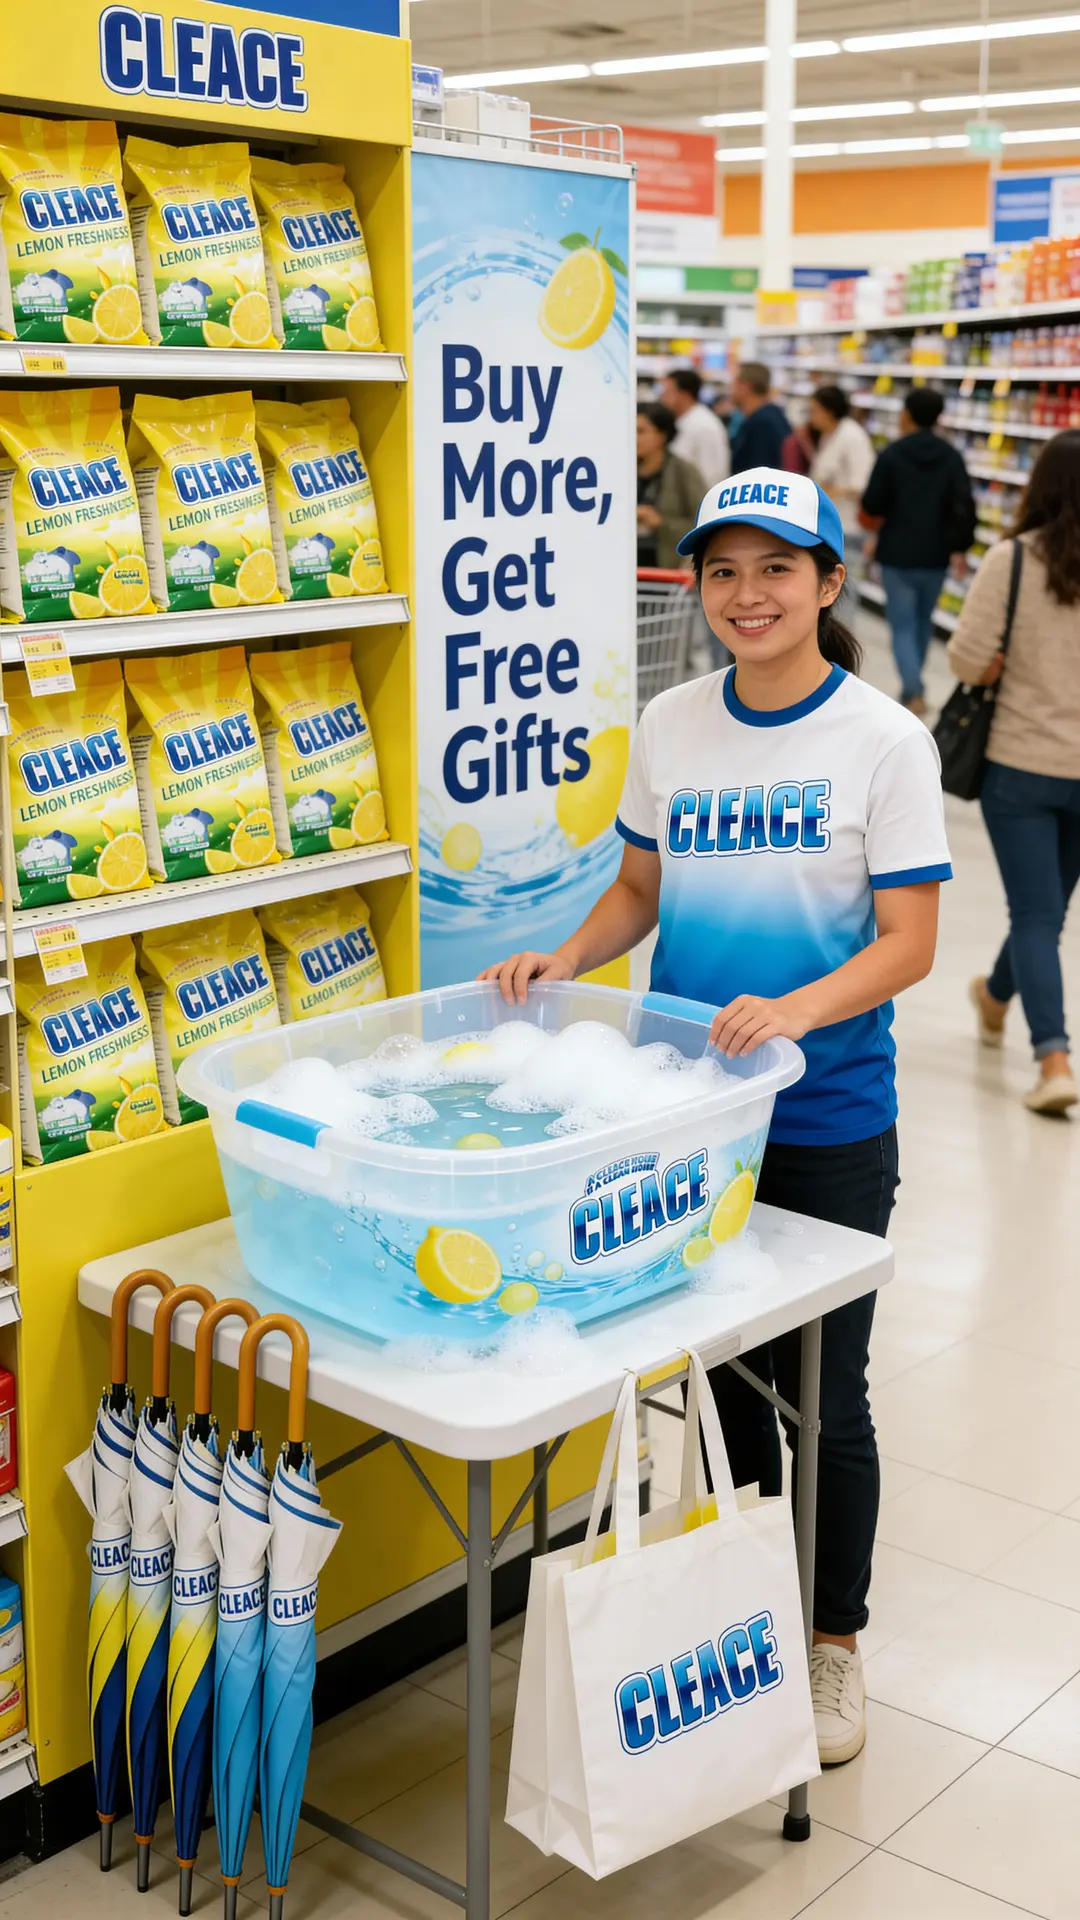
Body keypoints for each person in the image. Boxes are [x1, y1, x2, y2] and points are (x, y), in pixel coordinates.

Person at [480, 468, 950, 1769]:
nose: (748, 595)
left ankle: (834, 1642)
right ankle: (752, 1608)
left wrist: (794, 1010)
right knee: (726, 1382)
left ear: (829, 583)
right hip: (689, 1119)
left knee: (827, 1394)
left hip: (828, 1118)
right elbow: (640, 892)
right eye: (724, 571)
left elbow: (910, 943)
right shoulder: (673, 723)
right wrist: (567, 958)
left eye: (777, 569)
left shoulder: (883, 742)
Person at [947, 431, 1080, 1115]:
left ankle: (1047, 1054)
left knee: (1036, 913)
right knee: (1044, 912)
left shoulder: (1014, 561)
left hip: (1020, 766)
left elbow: (967, 661)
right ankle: (1009, 1011)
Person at [860, 386, 976, 715]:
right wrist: (960, 547)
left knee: (902, 625)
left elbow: (872, 502)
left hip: (897, 552)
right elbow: (964, 506)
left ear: (907, 414)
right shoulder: (951, 457)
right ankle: (912, 686)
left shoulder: (892, 454)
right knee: (923, 621)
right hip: (935, 554)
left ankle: (913, 689)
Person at [636, 402, 703, 571]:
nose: (634, 438)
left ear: (662, 435)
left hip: (668, 572)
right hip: (628, 567)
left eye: (641, 431)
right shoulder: (622, 471)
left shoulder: (683, 472)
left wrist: (661, 524)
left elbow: (704, 525)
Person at [809, 386, 874, 547]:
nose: (811, 416)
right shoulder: (828, 435)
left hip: (849, 527)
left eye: (814, 411)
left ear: (829, 412)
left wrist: (833, 490)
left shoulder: (852, 436)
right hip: (828, 523)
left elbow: (864, 483)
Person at [661, 368, 731, 489]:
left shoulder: (703, 425)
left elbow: (711, 474)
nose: (662, 396)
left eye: (667, 391)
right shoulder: (682, 421)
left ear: (684, 395)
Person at [728, 362, 792, 474]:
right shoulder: (770, 415)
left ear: (746, 387)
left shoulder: (762, 424)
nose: (731, 390)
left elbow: (757, 473)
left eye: (734, 384)